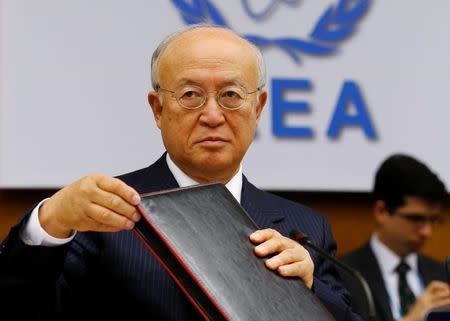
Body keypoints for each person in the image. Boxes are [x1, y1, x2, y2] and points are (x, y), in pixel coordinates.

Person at [0, 24, 362, 321]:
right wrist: (49, 222)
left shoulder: (306, 229)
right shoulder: (106, 215)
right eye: (190, 95)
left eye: (231, 95)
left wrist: (310, 286)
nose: (212, 115)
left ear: (259, 107)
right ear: (158, 109)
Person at [339, 154, 450, 321]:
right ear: (381, 211)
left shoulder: (442, 273)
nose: (427, 231)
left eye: (433, 220)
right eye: (416, 219)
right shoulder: (344, 275)